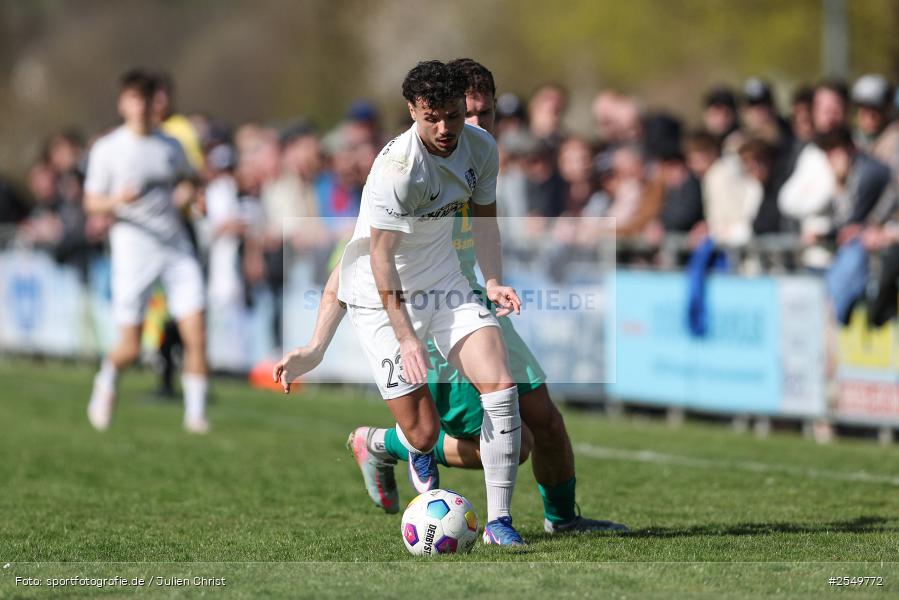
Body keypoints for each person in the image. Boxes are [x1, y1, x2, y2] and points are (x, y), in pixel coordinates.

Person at [275, 58, 628, 539]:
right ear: (413, 113)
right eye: (434, 117)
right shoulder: (397, 172)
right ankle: (384, 444)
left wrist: (496, 278)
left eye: (464, 114)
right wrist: (325, 346)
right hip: (389, 304)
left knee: (523, 406)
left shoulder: (480, 150)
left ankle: (508, 523)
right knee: (433, 434)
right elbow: (367, 262)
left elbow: (487, 224)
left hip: (452, 287)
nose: (451, 128)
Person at [83, 69, 209, 433]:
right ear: (123, 103)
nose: (141, 107)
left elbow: (191, 179)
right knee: (131, 347)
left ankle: (196, 416)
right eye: (134, 99)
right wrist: (115, 200)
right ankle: (106, 379)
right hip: (132, 248)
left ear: (156, 103)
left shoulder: (170, 145)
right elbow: (91, 203)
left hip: (174, 246)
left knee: (196, 332)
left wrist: (190, 193)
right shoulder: (108, 149)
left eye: (147, 99)